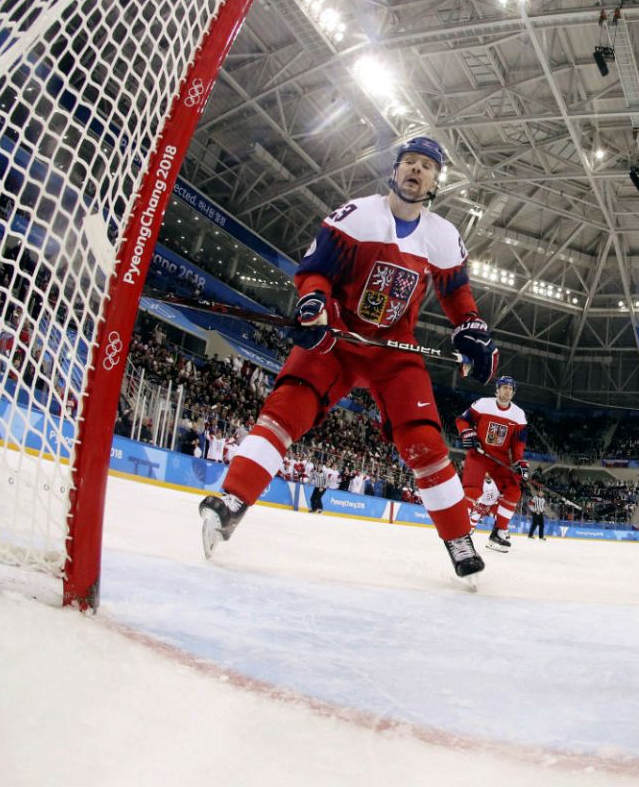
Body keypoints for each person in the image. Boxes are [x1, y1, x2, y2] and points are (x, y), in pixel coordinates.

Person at [198, 137, 502, 580]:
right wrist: (313, 303)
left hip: (393, 351)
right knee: (284, 411)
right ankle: (232, 502)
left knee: (425, 444)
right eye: (410, 163)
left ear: (437, 180)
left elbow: (456, 295)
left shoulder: (442, 236)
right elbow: (315, 271)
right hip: (336, 338)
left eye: (427, 167)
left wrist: (471, 329)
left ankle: (458, 539)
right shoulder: (357, 215)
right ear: (394, 171)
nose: (417, 171)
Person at [456, 375, 528, 553]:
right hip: (478, 455)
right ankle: (460, 532)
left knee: (514, 490)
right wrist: (467, 433)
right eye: (504, 387)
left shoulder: (519, 415)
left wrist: (519, 463)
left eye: (510, 388)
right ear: (497, 390)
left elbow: (518, 445)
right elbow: (462, 420)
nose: (507, 391)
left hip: (500, 460)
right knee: (473, 491)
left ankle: (499, 532)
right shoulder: (482, 404)